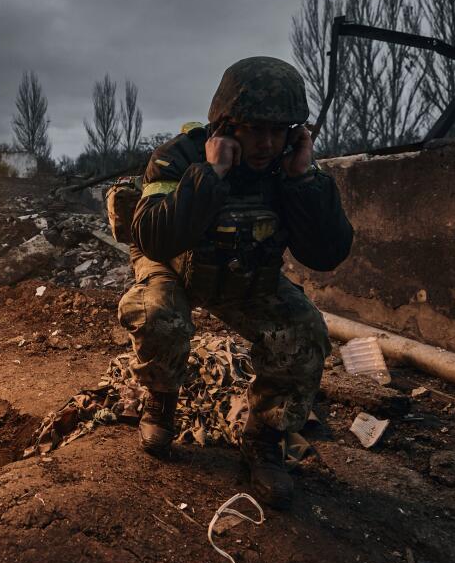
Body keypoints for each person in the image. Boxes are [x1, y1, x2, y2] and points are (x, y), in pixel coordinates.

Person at [118, 56, 353, 509]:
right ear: (225, 126)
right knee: (157, 314)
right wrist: (209, 175)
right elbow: (151, 237)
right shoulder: (179, 156)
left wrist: (303, 180)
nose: (266, 142)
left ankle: (263, 440)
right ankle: (161, 402)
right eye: (253, 129)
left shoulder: (290, 168)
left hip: (245, 272)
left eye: (278, 130)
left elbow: (326, 254)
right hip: (173, 263)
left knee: (303, 331)